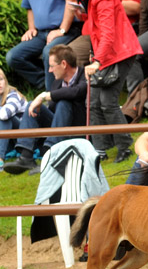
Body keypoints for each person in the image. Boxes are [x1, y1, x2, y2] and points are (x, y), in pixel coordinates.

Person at [68, 0, 143, 163]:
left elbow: (108, 34)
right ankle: (100, 148)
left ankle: (125, 146)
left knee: (107, 101)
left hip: (120, 52)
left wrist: (97, 61)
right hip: (106, 53)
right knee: (92, 101)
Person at [4, 45, 88, 176]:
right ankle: (26, 157)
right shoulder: (57, 82)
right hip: (60, 129)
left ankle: (50, 158)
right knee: (33, 105)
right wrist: (39, 104)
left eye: (52, 66)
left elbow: (76, 92)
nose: (49, 70)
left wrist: (44, 95)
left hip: (80, 130)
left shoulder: (85, 76)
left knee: (64, 101)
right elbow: (54, 110)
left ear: (64, 64)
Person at [6, 0, 80, 91]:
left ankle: (52, 96)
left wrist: (62, 30)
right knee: (13, 56)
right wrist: (31, 28)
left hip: (66, 30)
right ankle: (46, 84)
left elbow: (71, 1)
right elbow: (29, 7)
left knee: (49, 52)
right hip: (41, 33)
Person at [67, 0, 143, 69]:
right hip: (94, 37)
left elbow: (107, 34)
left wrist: (97, 60)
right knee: (68, 54)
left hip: (118, 44)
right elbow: (87, 17)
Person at [0, 70, 28, 172]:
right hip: (9, 139)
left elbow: (4, 115)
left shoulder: (13, 95)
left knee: (6, 118)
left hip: (24, 136)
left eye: (1, 79)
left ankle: (0, 159)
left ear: (5, 81)